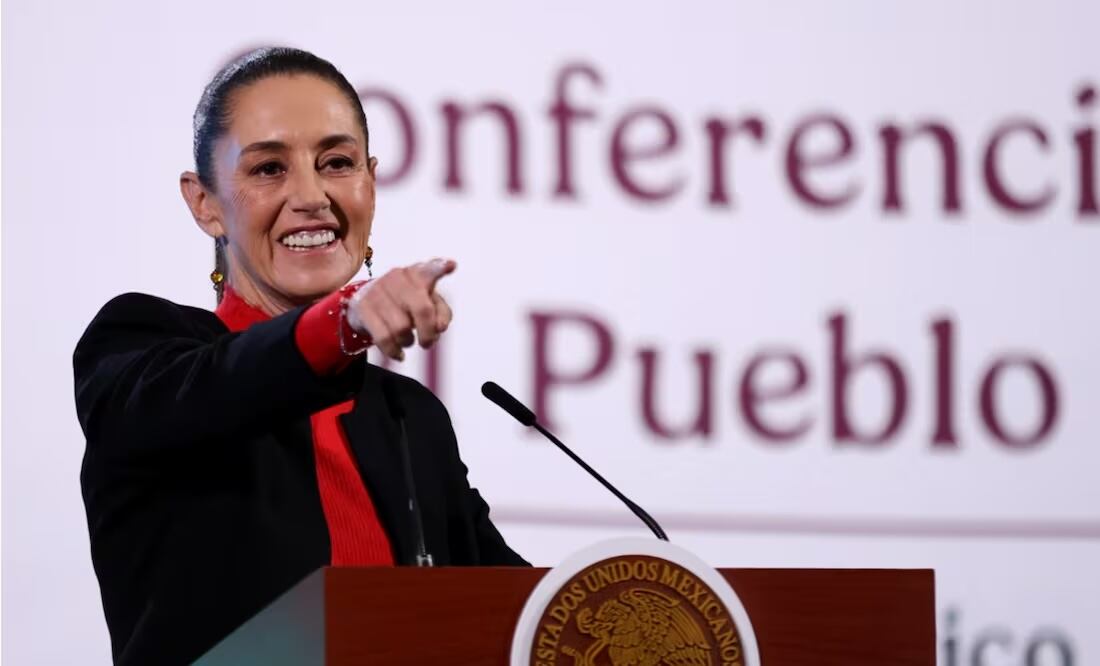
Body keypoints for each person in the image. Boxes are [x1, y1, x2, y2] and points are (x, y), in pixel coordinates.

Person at [73, 47, 527, 666]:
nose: (311, 195)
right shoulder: (138, 345)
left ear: (370, 181)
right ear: (204, 202)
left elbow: (520, 612)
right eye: (268, 170)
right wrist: (347, 319)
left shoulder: (409, 418)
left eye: (336, 163)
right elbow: (221, 384)